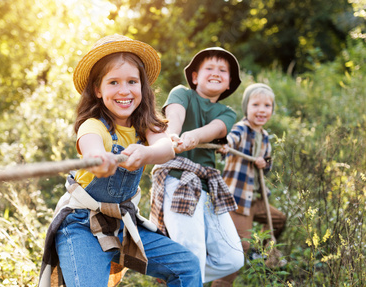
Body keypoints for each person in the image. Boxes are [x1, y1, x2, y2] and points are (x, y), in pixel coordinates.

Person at [39, 34, 202, 287]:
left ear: (142, 86)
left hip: (123, 223)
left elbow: (165, 147)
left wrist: (146, 153)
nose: (124, 91)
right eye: (113, 82)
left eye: (132, 81)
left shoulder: (144, 124)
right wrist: (98, 160)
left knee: (187, 267)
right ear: (97, 89)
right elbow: (91, 148)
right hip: (82, 226)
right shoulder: (92, 126)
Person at [150, 47, 245, 284]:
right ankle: (183, 276)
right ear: (195, 77)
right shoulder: (182, 93)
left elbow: (216, 129)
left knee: (232, 258)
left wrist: (194, 136)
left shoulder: (227, 112)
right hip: (178, 180)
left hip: (209, 188)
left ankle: (180, 277)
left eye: (222, 70)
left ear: (229, 82)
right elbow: (175, 117)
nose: (216, 73)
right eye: (209, 68)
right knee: (193, 253)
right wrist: (171, 135)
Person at [213, 83, 287, 286]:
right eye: (256, 105)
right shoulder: (241, 129)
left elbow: (267, 165)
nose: (262, 110)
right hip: (237, 199)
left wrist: (265, 163)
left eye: (267, 105)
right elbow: (231, 139)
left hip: (255, 200)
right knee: (240, 246)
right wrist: (224, 144)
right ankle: (222, 282)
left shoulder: (264, 137)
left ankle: (261, 253)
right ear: (247, 107)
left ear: (272, 109)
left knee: (279, 219)